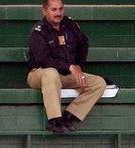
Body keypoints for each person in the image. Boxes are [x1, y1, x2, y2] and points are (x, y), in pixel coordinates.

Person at [27, 0, 106, 133]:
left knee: (98, 83)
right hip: (39, 74)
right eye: (54, 10)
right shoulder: (38, 31)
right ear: (44, 10)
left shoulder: (70, 25)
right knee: (51, 73)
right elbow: (44, 60)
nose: (58, 13)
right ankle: (54, 120)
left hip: (65, 75)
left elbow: (83, 44)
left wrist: (78, 66)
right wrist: (70, 67)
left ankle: (69, 116)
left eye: (60, 9)